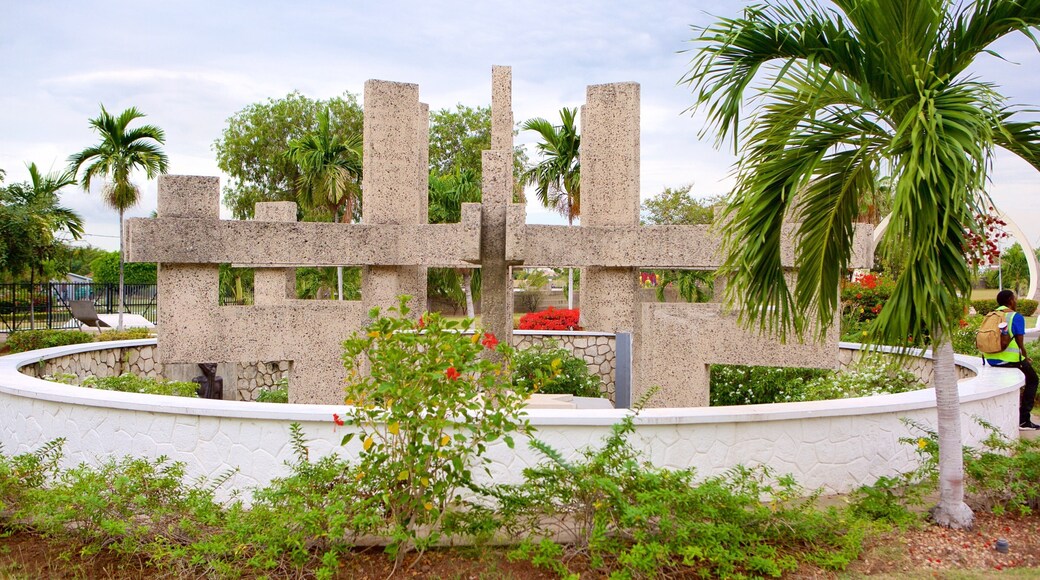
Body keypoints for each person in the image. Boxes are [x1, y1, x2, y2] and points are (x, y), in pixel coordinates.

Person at [985, 290, 1040, 430]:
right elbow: (1020, 344)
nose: (1016, 301)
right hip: (1008, 359)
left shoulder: (991, 315)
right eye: (1014, 299)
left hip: (991, 358)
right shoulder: (1015, 317)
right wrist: (1025, 358)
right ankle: (1024, 421)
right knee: (1033, 379)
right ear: (1010, 300)